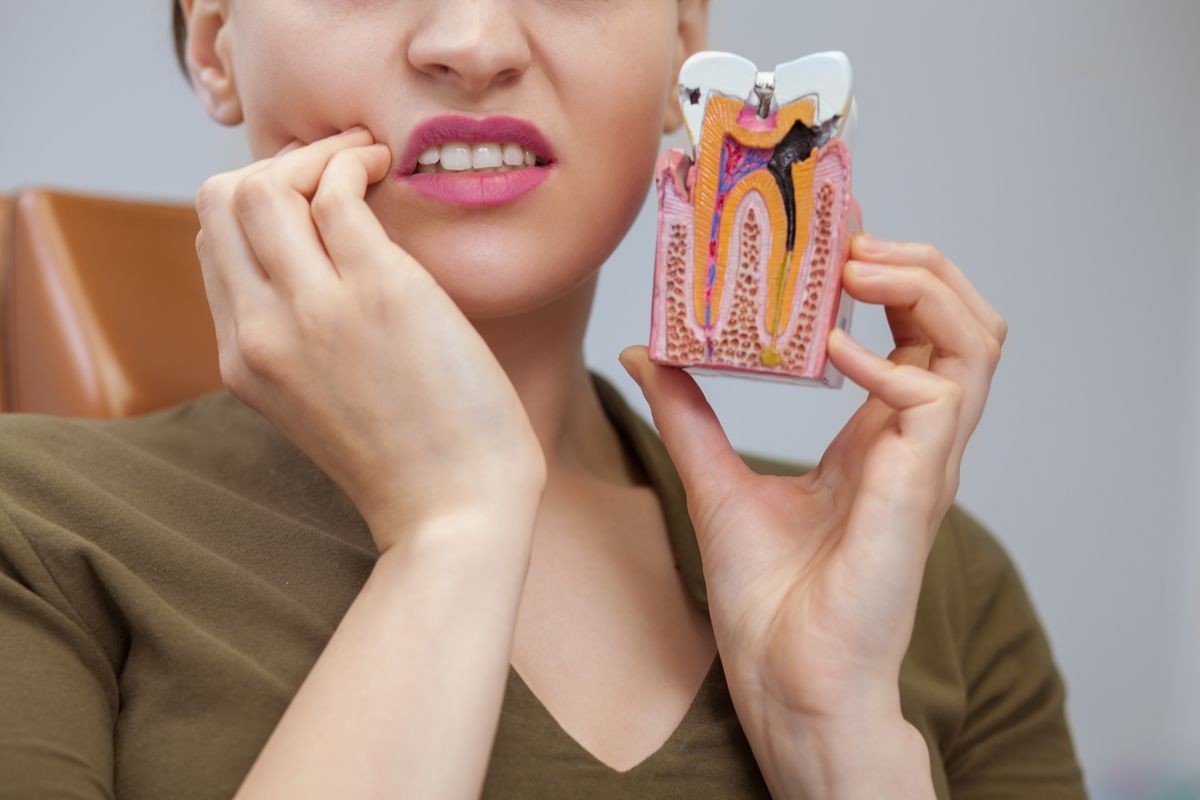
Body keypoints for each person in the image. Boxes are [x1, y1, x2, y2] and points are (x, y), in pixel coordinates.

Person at [0, 0, 1087, 797]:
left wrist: (835, 735)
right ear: (213, 42)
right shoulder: (30, 527)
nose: (472, 43)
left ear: (683, 48)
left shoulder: (926, 577)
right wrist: (453, 529)